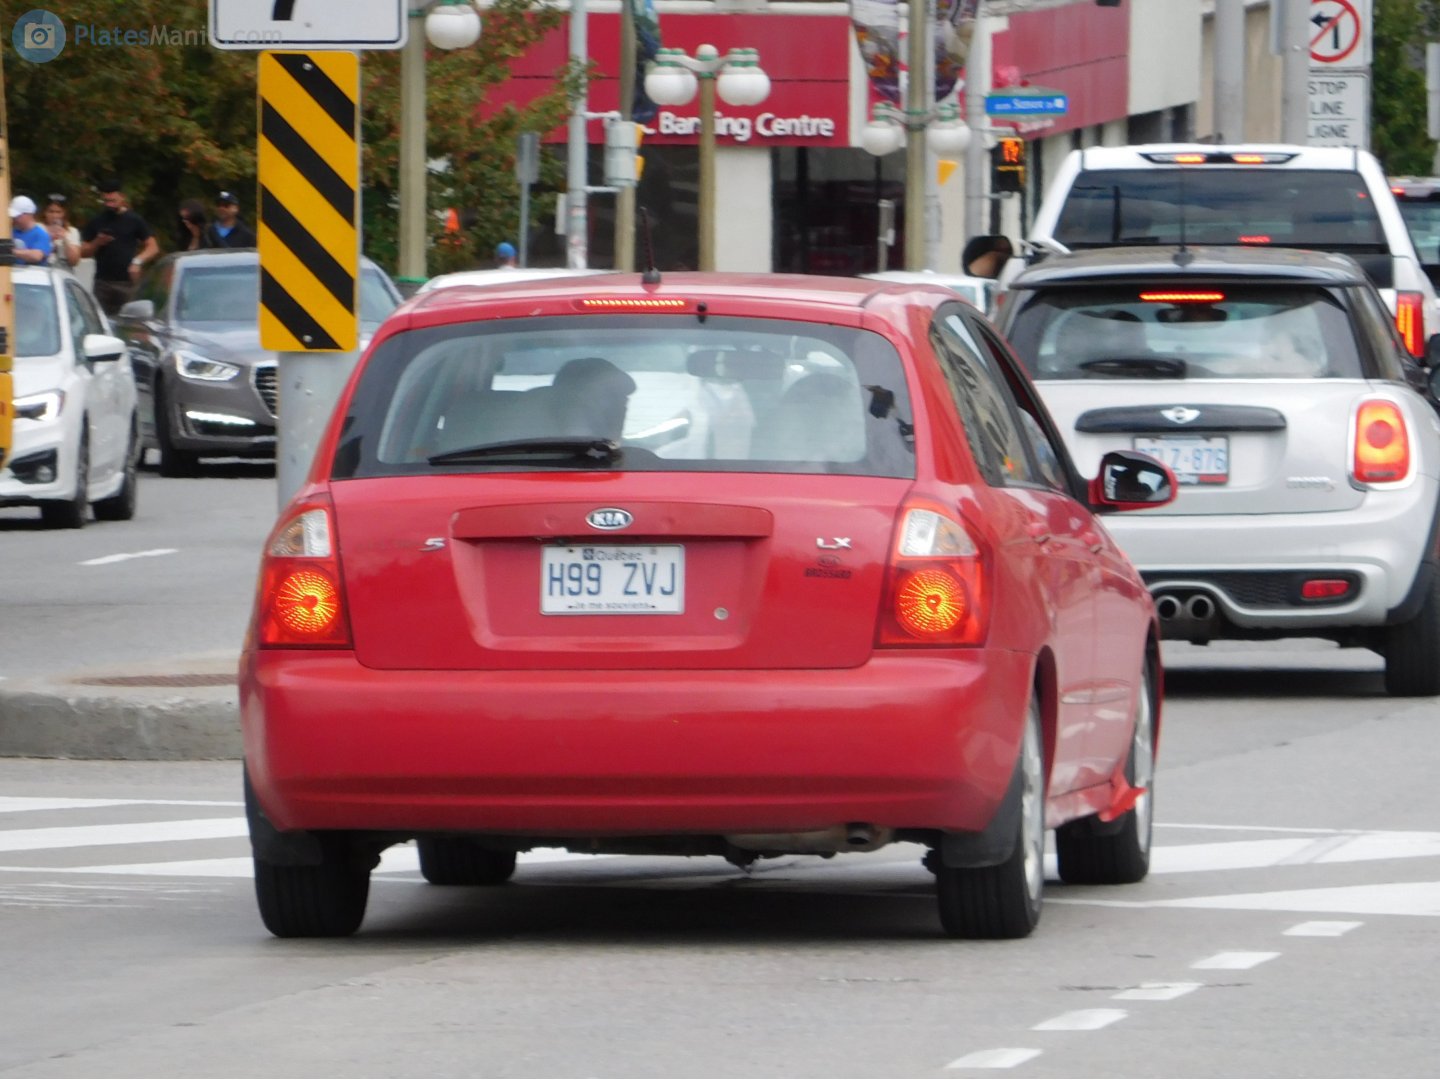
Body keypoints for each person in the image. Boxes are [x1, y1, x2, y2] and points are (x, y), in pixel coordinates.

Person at [80, 178, 159, 316]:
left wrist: (137, 261)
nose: (109, 203)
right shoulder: (97, 221)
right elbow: (83, 252)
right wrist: (97, 242)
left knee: (129, 321)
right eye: (106, 200)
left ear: (122, 197)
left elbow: (153, 247)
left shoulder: (134, 220)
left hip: (127, 284)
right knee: (99, 320)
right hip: (102, 283)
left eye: (113, 199)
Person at [9, 196, 53, 265]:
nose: (14, 218)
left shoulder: (40, 234)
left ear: (28, 214)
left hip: (34, 273)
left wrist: (10, 251)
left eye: (17, 216)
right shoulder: (10, 231)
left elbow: (37, 256)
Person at [42, 195, 81, 270]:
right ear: (45, 213)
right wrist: (50, 239)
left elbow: (74, 261)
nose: (54, 216)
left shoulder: (72, 231)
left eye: (58, 212)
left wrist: (65, 239)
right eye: (51, 212)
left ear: (64, 214)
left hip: (64, 269)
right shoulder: (38, 228)